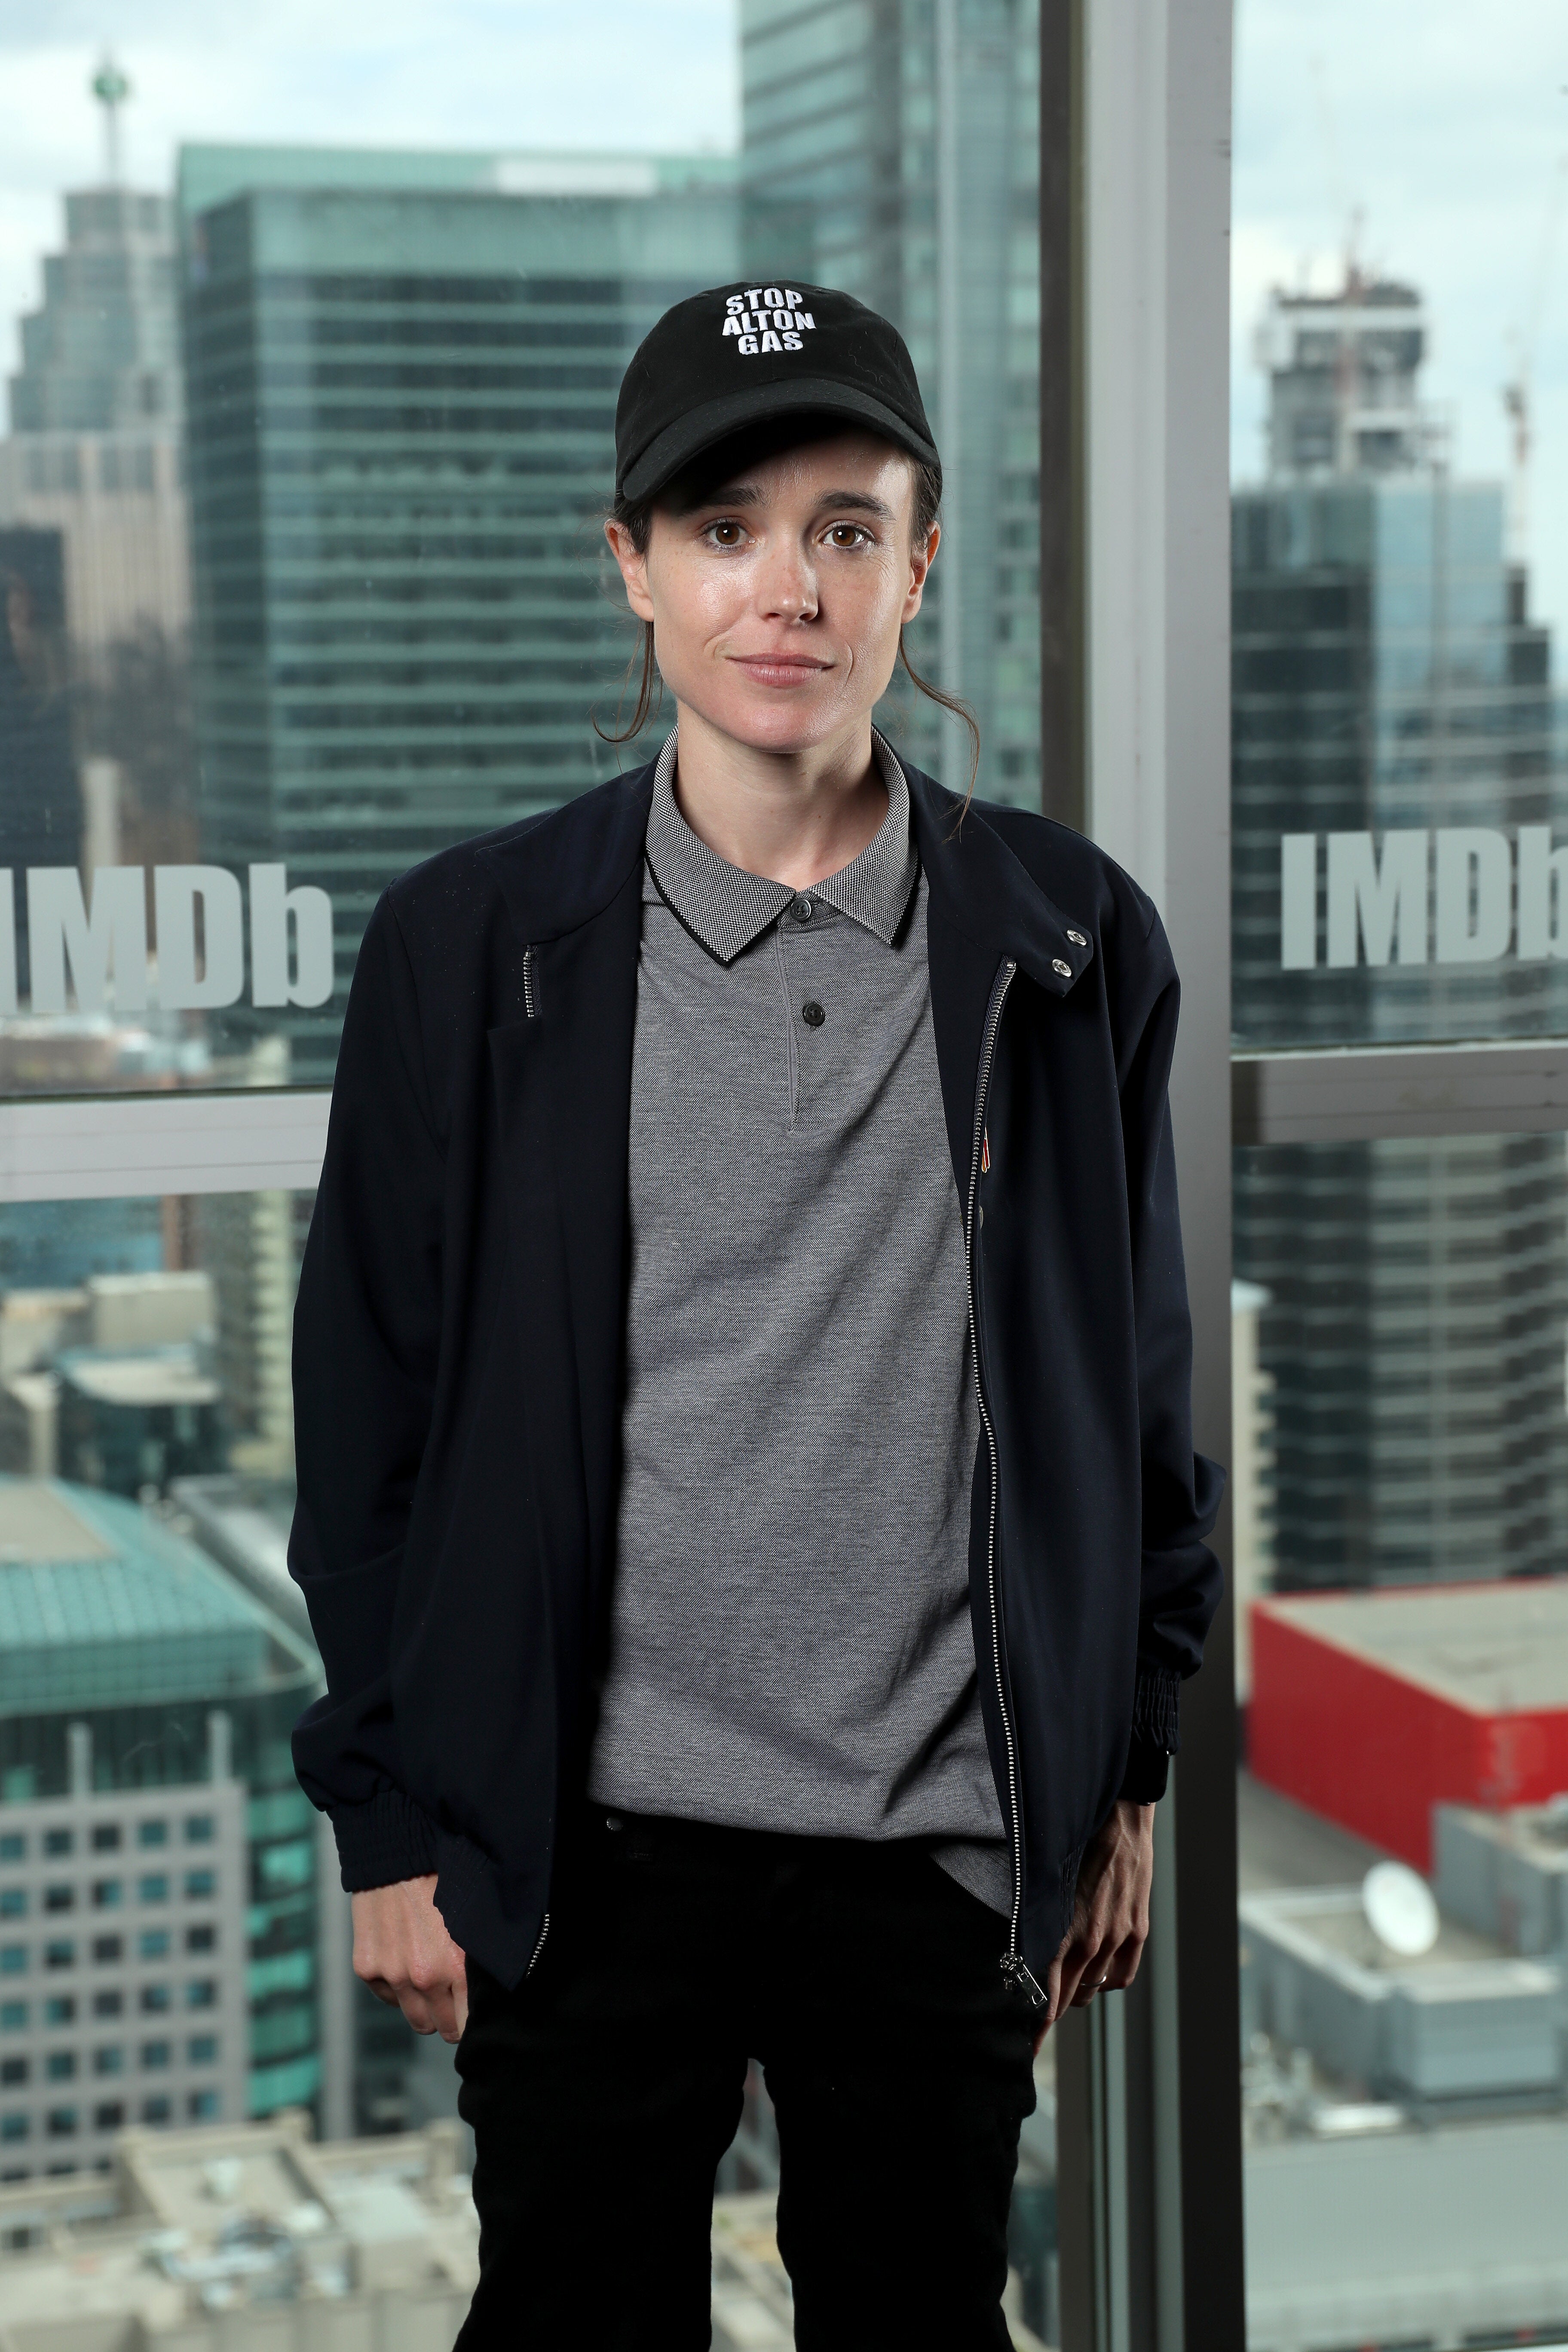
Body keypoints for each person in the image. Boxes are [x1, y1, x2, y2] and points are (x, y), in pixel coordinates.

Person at [289, 280, 1224, 2349]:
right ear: (632, 567)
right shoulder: (471, 946)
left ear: (921, 566)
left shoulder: (1069, 938)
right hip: (585, 1847)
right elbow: (366, 1424)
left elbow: (1133, 1402)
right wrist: (385, 1823)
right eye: (724, 529)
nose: (786, 588)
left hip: (934, 1841)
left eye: (843, 528)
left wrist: (1128, 1770)